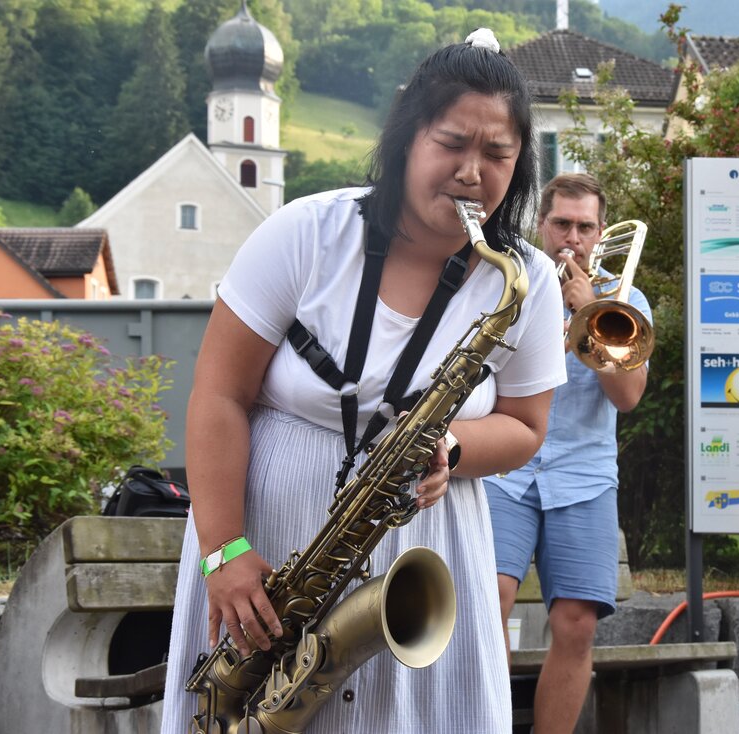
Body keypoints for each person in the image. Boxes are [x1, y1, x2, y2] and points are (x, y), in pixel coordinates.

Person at [160, 29, 567, 734]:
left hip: (425, 558)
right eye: (452, 144)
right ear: (408, 137)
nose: (473, 172)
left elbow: (528, 427)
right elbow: (218, 394)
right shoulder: (305, 234)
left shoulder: (525, 279)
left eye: (497, 154)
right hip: (264, 547)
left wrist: (454, 447)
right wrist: (222, 550)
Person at [484, 172, 652, 733]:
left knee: (577, 624)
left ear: (601, 234)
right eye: (561, 224)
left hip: (584, 473)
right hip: (503, 469)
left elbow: (627, 396)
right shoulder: (509, 283)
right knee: (491, 606)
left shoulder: (625, 301)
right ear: (540, 224)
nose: (571, 239)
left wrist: (589, 315)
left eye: (584, 227)